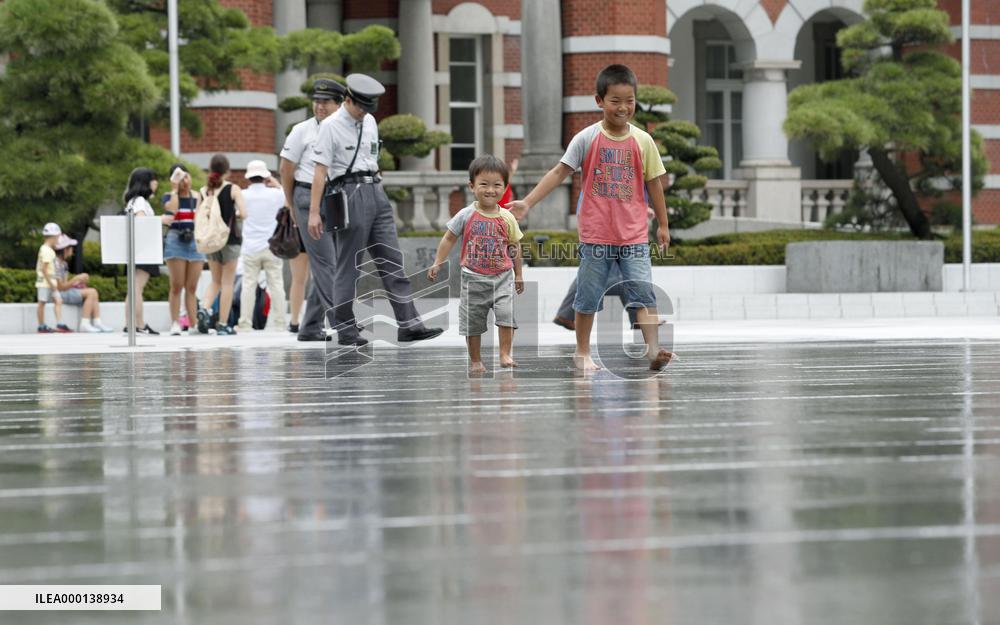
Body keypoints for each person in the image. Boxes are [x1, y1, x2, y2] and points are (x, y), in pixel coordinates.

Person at [508, 64, 673, 371]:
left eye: (629, 101)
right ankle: (581, 352)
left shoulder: (643, 141)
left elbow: (654, 184)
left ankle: (652, 350)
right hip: (596, 233)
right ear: (599, 101)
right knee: (588, 296)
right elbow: (560, 172)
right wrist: (528, 202)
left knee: (643, 293)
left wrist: (663, 225)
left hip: (634, 233)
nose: (623, 107)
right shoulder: (586, 138)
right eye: (615, 101)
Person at [308, 73, 443, 347]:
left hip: (376, 190)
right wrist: (313, 212)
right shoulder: (330, 126)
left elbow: (372, 157)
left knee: (392, 260)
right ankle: (346, 331)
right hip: (348, 192)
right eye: (360, 107)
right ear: (347, 100)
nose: (364, 113)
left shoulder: (369, 120)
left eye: (369, 108)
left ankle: (409, 325)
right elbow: (320, 171)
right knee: (349, 267)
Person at [428, 155, 525, 372]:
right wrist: (438, 262)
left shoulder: (507, 217)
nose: (490, 190)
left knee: (506, 315)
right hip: (473, 278)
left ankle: (504, 354)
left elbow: (515, 246)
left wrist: (518, 275)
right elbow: (449, 238)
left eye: (496, 185)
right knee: (473, 321)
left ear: (505, 187)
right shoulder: (466, 214)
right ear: (472, 186)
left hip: (502, 277)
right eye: (484, 184)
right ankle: (475, 361)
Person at [279, 78, 343, 341]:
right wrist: (290, 202)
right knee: (327, 263)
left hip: (337, 197)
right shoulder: (301, 130)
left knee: (335, 263)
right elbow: (285, 168)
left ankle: (310, 327)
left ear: (340, 104)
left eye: (326, 102)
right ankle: (343, 320)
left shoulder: (346, 130)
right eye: (317, 101)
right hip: (306, 196)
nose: (320, 106)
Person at [196, 154, 246, 336]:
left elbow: (199, 216)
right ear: (227, 171)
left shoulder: (203, 191)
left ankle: (205, 307)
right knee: (227, 283)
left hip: (211, 242)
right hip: (230, 240)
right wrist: (235, 215)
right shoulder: (233, 189)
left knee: (215, 280)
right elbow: (244, 213)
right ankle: (223, 323)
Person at [237, 160, 287, 332]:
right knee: (277, 284)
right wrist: (275, 182)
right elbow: (287, 196)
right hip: (272, 246)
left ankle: (245, 323)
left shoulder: (243, 195)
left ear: (249, 178)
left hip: (250, 247)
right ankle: (280, 323)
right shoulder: (275, 194)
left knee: (248, 285)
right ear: (265, 176)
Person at [162, 163, 205, 336]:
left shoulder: (197, 195)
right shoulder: (168, 196)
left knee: (192, 286)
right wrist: (175, 189)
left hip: (195, 240)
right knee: (176, 285)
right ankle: (175, 322)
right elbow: (171, 209)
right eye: (180, 177)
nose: (184, 180)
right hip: (175, 240)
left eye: (186, 176)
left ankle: (193, 323)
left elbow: (201, 216)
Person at [122, 167, 165, 335]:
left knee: (133, 288)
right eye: (153, 179)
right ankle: (138, 324)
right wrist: (160, 220)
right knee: (137, 288)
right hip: (144, 249)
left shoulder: (132, 200)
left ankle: (131, 323)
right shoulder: (140, 201)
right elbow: (141, 222)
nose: (156, 183)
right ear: (146, 182)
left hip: (135, 249)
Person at [53, 234, 113, 332]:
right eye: (70, 248)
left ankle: (97, 322)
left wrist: (77, 282)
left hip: (63, 292)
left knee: (93, 292)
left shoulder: (63, 264)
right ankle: (86, 324)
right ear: (65, 250)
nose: (72, 251)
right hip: (58, 294)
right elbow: (60, 287)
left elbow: (65, 284)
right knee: (92, 292)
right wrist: (76, 279)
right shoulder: (56, 264)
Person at [35, 222, 71, 333]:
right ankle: (41, 326)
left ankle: (60, 323)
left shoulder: (47, 249)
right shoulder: (46, 250)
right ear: (55, 236)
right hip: (46, 282)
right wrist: (53, 286)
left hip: (49, 282)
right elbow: (44, 269)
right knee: (42, 303)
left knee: (57, 300)